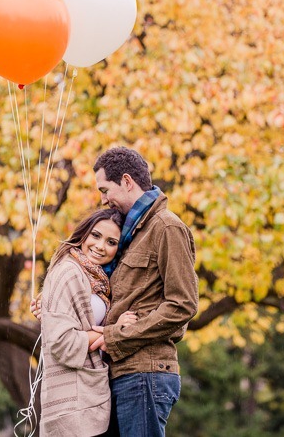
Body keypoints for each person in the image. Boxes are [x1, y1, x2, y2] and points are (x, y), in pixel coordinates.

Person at [89, 147, 199, 437]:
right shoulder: (130, 234)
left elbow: (183, 305)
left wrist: (115, 336)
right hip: (121, 373)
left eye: (105, 189)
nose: (103, 199)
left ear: (126, 181)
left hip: (145, 373)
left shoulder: (166, 227)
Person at [36, 207, 138, 437]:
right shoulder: (69, 272)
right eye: (95, 235)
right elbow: (63, 343)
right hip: (72, 401)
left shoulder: (97, 279)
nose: (100, 246)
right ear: (83, 234)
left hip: (87, 395)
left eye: (111, 242)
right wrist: (113, 332)